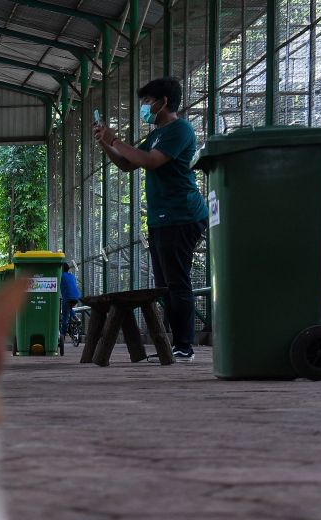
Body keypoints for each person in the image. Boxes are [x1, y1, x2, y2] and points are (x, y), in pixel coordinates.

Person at [93, 77, 208, 362]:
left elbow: (152, 162)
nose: (144, 107)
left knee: (177, 282)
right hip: (161, 218)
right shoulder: (156, 134)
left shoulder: (178, 129)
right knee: (165, 284)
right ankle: (173, 345)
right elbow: (126, 164)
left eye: (147, 102)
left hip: (181, 215)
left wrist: (115, 139)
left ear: (163, 101)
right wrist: (105, 144)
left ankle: (184, 346)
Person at [59, 263, 81, 337]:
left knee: (65, 317)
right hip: (76, 296)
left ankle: (63, 335)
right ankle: (76, 317)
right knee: (69, 308)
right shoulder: (72, 276)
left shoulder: (60, 276)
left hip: (68, 297)